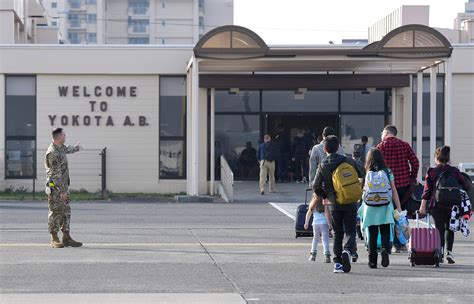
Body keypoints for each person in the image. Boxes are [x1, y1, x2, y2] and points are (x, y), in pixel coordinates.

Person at [313, 135, 365, 273]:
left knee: (337, 232)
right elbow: (362, 172)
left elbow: (315, 185)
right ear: (338, 147)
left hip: (334, 202)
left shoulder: (323, 165)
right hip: (350, 200)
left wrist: (325, 196)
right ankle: (348, 250)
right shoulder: (347, 160)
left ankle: (337, 263)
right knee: (350, 230)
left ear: (325, 149)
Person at [419, 146, 471, 264]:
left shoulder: (431, 171)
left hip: (436, 205)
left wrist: (422, 205)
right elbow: (465, 185)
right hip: (453, 205)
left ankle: (440, 253)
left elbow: (427, 190)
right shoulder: (455, 171)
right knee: (450, 228)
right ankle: (449, 252)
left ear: (436, 158)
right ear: (447, 158)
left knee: (439, 229)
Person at [377, 125, 419, 253]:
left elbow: (375, 165)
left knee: (388, 215)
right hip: (403, 186)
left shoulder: (380, 147)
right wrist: (412, 177)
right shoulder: (405, 145)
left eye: (382, 133)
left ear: (386, 133)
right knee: (401, 214)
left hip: (386, 187)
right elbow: (415, 162)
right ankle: (402, 242)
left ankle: (389, 243)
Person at [359, 148, 402, 269]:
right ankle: (385, 249)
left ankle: (372, 261)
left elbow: (363, 190)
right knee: (385, 231)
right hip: (385, 206)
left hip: (370, 207)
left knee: (372, 234)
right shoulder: (388, 172)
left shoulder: (367, 172)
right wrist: (398, 207)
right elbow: (393, 190)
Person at [45, 128, 83, 248]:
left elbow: (67, 149)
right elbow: (55, 174)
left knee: (66, 211)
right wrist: (62, 192)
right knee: (55, 212)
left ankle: (66, 237)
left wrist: (76, 148)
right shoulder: (52, 153)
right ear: (59, 137)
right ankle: (54, 238)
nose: (65, 136)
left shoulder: (60, 148)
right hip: (55, 188)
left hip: (63, 187)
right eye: (64, 135)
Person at [304, 195, 332, 263]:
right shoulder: (324, 203)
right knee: (325, 239)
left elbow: (309, 213)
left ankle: (313, 254)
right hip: (324, 223)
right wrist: (330, 223)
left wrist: (306, 222)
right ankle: (327, 255)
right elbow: (327, 214)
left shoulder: (313, 203)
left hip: (315, 223)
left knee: (315, 238)